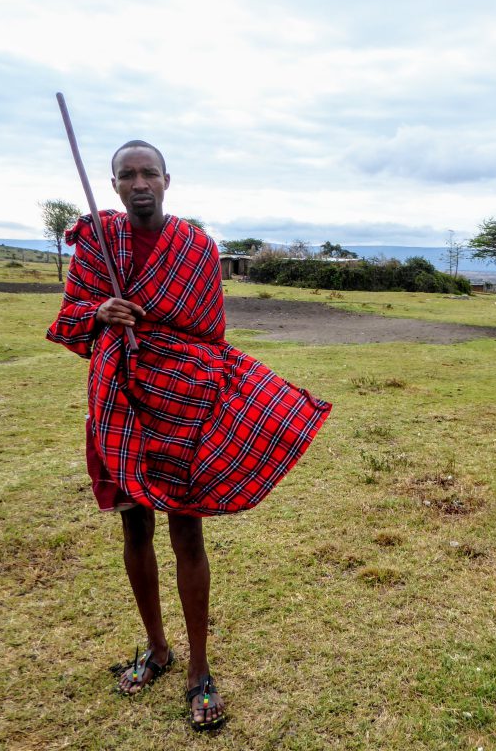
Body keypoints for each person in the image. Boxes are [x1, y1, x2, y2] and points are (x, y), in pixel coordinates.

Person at [47, 141, 330, 731]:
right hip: (117, 401)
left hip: (180, 403)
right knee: (134, 525)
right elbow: (69, 321)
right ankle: (156, 648)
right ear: (115, 184)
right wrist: (102, 314)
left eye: (149, 171)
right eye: (127, 174)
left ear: (168, 180)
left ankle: (199, 667)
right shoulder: (96, 245)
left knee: (187, 529)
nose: (139, 181)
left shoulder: (196, 247)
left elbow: (208, 331)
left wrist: (147, 322)